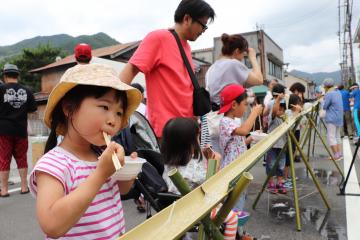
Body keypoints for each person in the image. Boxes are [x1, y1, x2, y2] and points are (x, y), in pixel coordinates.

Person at [29, 64, 142, 239]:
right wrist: (100, 174)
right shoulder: (53, 165)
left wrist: (126, 170)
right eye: (105, 107)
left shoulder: (100, 155)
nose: (113, 120)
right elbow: (52, 225)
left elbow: (122, 190)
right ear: (68, 109)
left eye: (119, 113)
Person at [120, 0, 215, 138]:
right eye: (203, 25)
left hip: (187, 131)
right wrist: (116, 109)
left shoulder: (186, 47)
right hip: (165, 134)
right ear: (187, 19)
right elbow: (130, 70)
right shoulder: (159, 38)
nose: (203, 31)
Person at [161, 117, 238, 240]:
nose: (198, 141)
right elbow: (211, 187)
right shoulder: (191, 167)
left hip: (176, 208)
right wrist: (215, 164)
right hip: (194, 210)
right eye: (197, 138)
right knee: (232, 218)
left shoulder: (168, 162)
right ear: (188, 144)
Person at [218, 84, 262, 222]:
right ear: (234, 105)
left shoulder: (233, 122)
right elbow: (243, 131)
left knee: (240, 199)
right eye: (244, 104)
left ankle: (236, 231)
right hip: (233, 171)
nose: (246, 107)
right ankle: (233, 231)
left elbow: (238, 144)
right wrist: (254, 113)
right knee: (235, 203)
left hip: (238, 169)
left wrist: (251, 138)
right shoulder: (225, 122)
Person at [0, 63, 37, 197]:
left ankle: (4, 190)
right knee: (22, 158)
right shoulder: (27, 90)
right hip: (21, 130)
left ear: (5, 76)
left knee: (4, 159)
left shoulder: (1, 89)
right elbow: (33, 110)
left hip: (3, 131)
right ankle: (24, 187)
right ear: (18, 76)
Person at [264, 84, 288, 194]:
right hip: (272, 143)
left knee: (281, 164)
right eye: (279, 109)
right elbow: (273, 113)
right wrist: (277, 101)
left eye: (282, 109)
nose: (280, 111)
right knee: (271, 163)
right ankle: (271, 182)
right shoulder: (272, 112)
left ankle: (279, 182)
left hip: (282, 143)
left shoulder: (284, 114)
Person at [322, 78, 343, 161]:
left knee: (331, 137)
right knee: (337, 136)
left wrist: (323, 100)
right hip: (339, 117)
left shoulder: (329, 93)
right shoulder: (338, 92)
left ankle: (336, 155)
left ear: (326, 86)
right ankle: (339, 154)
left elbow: (325, 106)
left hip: (332, 117)